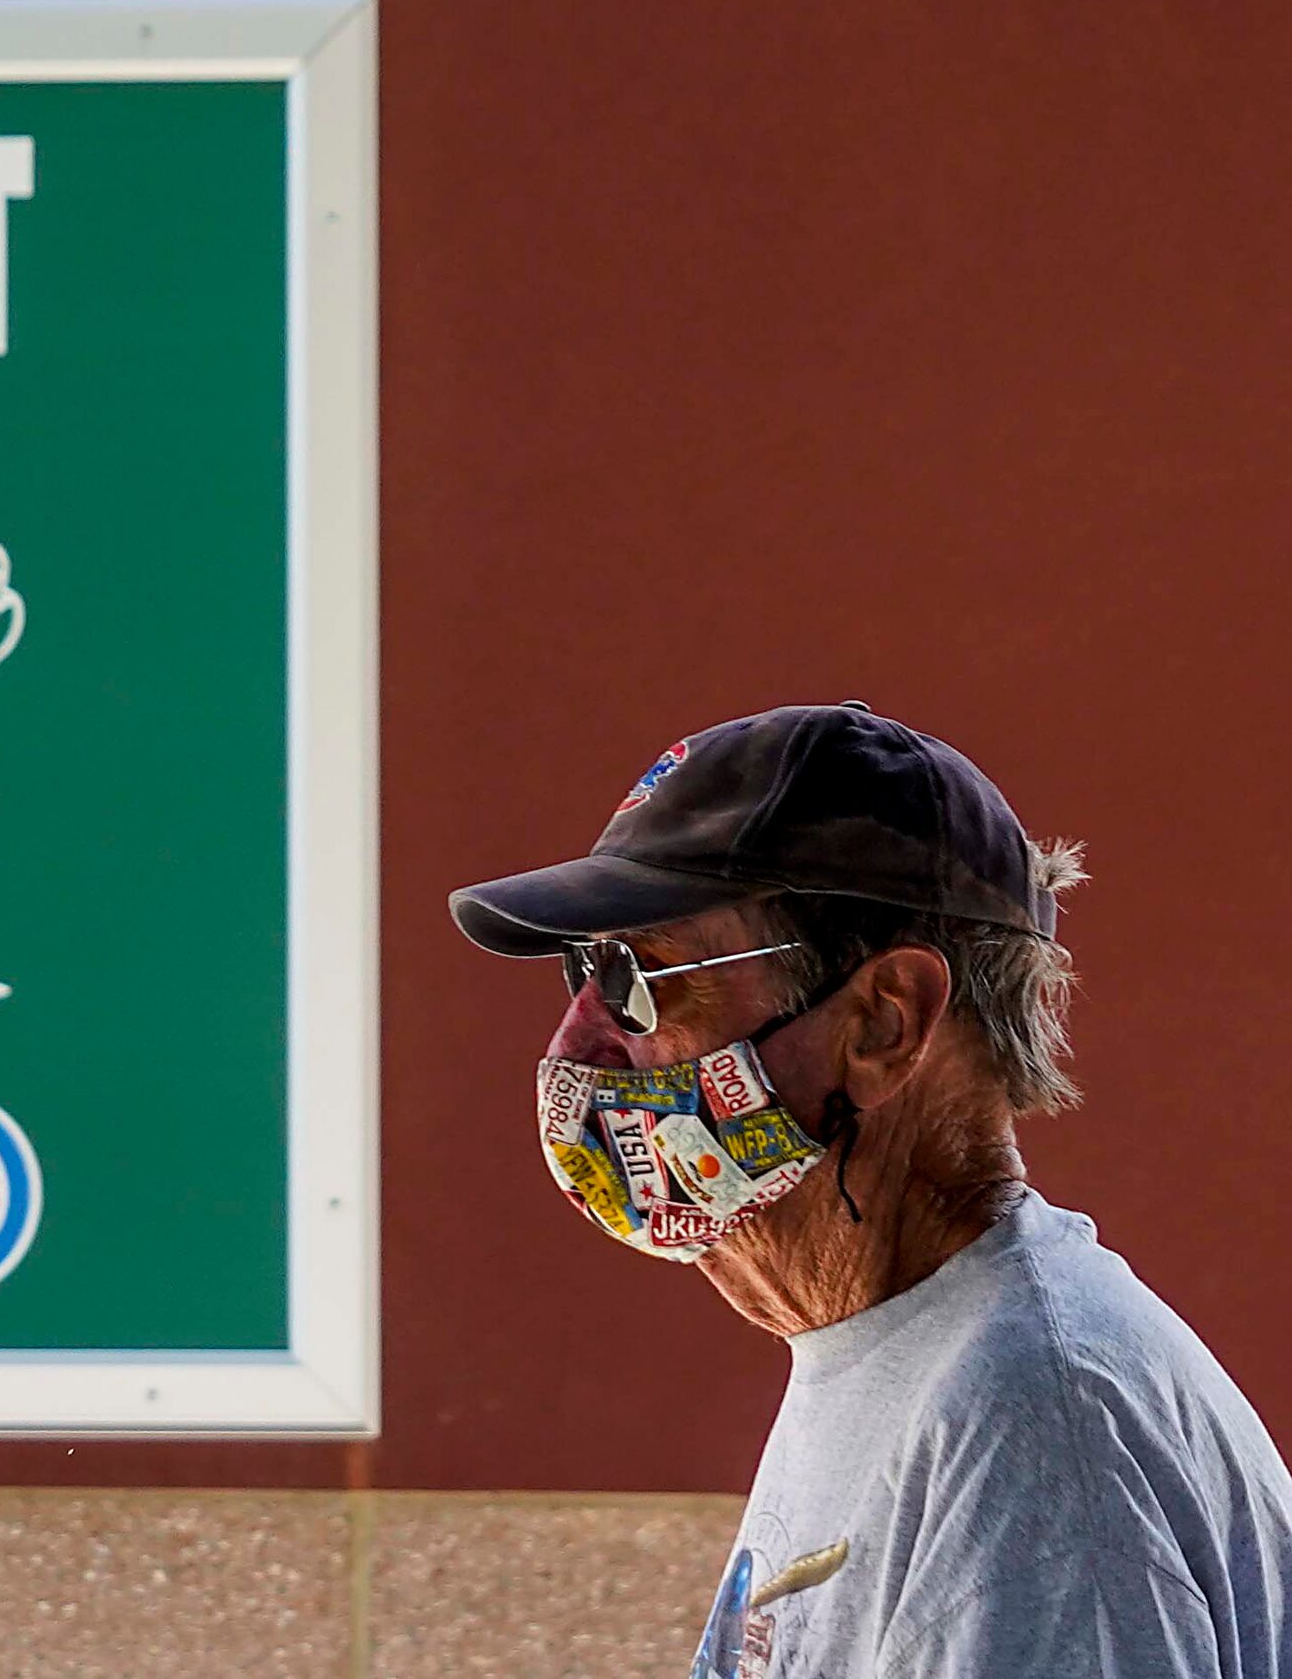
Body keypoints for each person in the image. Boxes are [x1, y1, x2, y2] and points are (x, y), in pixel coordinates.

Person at [448, 702, 1292, 1679]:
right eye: (581, 974)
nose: (580, 1046)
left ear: (885, 1023)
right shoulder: (887, 1352)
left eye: (640, 977)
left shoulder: (1030, 1428)